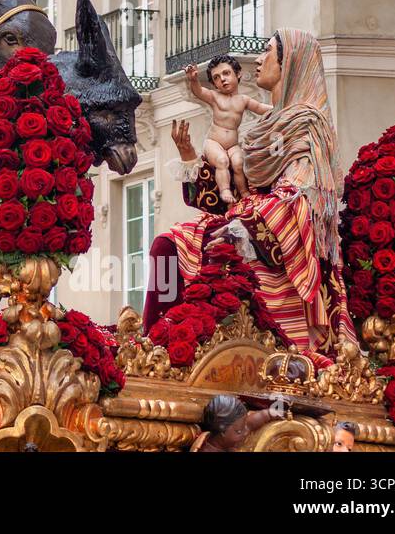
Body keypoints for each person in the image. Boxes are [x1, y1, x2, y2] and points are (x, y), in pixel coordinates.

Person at [145, 30, 356, 362]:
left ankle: (190, 353)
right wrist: (188, 156)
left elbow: (300, 198)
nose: (258, 59)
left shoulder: (307, 125)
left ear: (291, 64)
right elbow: (218, 198)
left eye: (268, 52)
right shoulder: (267, 123)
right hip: (247, 217)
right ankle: (154, 349)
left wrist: (238, 229)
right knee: (166, 246)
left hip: (282, 246)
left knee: (206, 248)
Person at [184, 54, 273, 204]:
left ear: (238, 74)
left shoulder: (243, 100)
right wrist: (193, 80)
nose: (222, 79)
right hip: (214, 142)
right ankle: (224, 190)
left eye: (226, 73)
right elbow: (198, 91)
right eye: (217, 77)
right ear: (214, 84)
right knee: (222, 160)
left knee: (239, 162)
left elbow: (260, 108)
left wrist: (280, 107)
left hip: (232, 145)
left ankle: (244, 193)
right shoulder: (214, 97)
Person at [191, 394, 286, 452]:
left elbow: (250, 423)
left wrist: (269, 414)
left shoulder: (228, 434)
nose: (246, 431)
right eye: (239, 431)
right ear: (223, 432)